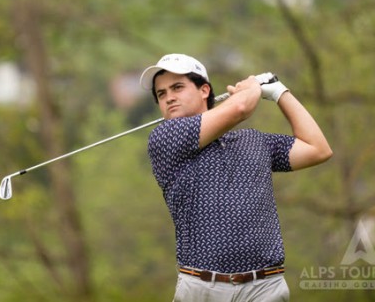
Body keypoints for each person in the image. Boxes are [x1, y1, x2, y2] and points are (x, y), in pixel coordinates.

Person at [139, 54, 332, 302]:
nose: (169, 98)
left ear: (204, 90)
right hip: (201, 288)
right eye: (162, 94)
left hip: (264, 288)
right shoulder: (164, 139)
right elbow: (240, 108)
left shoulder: (253, 141)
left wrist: (279, 92)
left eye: (177, 87)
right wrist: (252, 88)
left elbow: (318, 149)